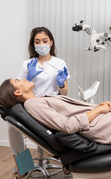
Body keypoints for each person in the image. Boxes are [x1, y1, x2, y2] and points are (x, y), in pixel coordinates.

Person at [9, 27, 70, 179]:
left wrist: (61, 84)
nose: (41, 44)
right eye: (37, 42)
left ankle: (68, 166)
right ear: (33, 44)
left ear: (51, 43)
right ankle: (22, 166)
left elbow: (65, 93)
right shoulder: (27, 64)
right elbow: (19, 90)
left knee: (68, 126)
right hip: (32, 105)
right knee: (12, 126)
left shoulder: (60, 63)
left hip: (53, 103)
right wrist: (29, 77)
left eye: (44, 41)